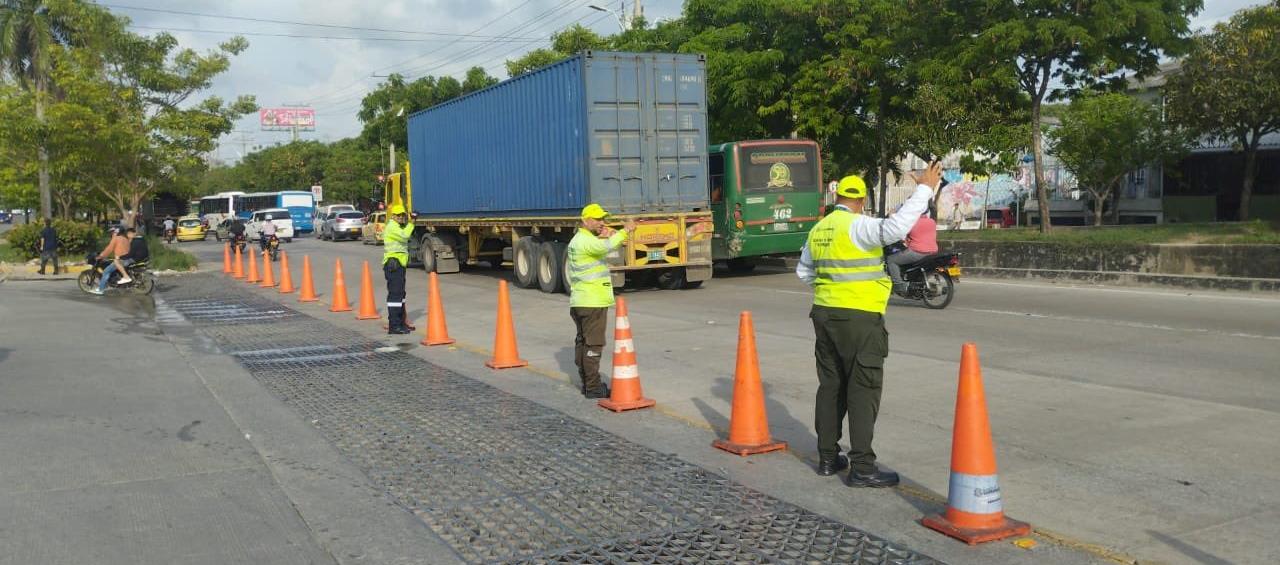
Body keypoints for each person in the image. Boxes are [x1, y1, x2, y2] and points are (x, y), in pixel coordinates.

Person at [796, 162, 941, 487]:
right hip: (860, 317)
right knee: (863, 389)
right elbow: (895, 228)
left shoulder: (819, 230)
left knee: (830, 386)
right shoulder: (858, 226)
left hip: (824, 314)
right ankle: (862, 467)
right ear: (861, 200)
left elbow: (804, 272)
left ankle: (827, 458)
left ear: (837, 198)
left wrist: (832, 289)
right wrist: (924, 189)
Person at [566, 204, 636, 399]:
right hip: (592, 302)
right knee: (593, 345)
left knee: (583, 342)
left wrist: (607, 233)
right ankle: (593, 387)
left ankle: (587, 383)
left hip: (581, 300)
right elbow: (606, 246)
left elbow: (601, 246)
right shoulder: (585, 241)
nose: (601, 222)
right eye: (597, 219)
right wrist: (626, 231)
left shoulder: (580, 240)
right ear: (585, 220)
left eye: (603, 219)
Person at [886, 207, 939, 293]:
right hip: (933, 251)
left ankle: (898, 285)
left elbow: (900, 233)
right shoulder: (932, 221)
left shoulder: (912, 223)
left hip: (918, 252)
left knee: (891, 260)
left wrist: (892, 215)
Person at [381, 204, 415, 335]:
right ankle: (394, 326)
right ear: (393, 216)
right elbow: (405, 236)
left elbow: (405, 232)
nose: (401, 217)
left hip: (399, 264)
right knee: (395, 295)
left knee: (400, 295)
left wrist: (410, 221)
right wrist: (412, 222)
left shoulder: (398, 226)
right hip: (393, 264)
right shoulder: (392, 227)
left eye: (403, 215)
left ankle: (400, 323)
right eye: (399, 215)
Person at [92, 227, 130, 295]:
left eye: (113, 232)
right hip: (127, 259)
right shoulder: (125, 239)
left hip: (120, 260)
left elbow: (109, 249)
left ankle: (100, 290)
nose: (112, 234)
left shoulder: (116, 239)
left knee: (106, 271)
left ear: (116, 232)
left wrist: (101, 256)